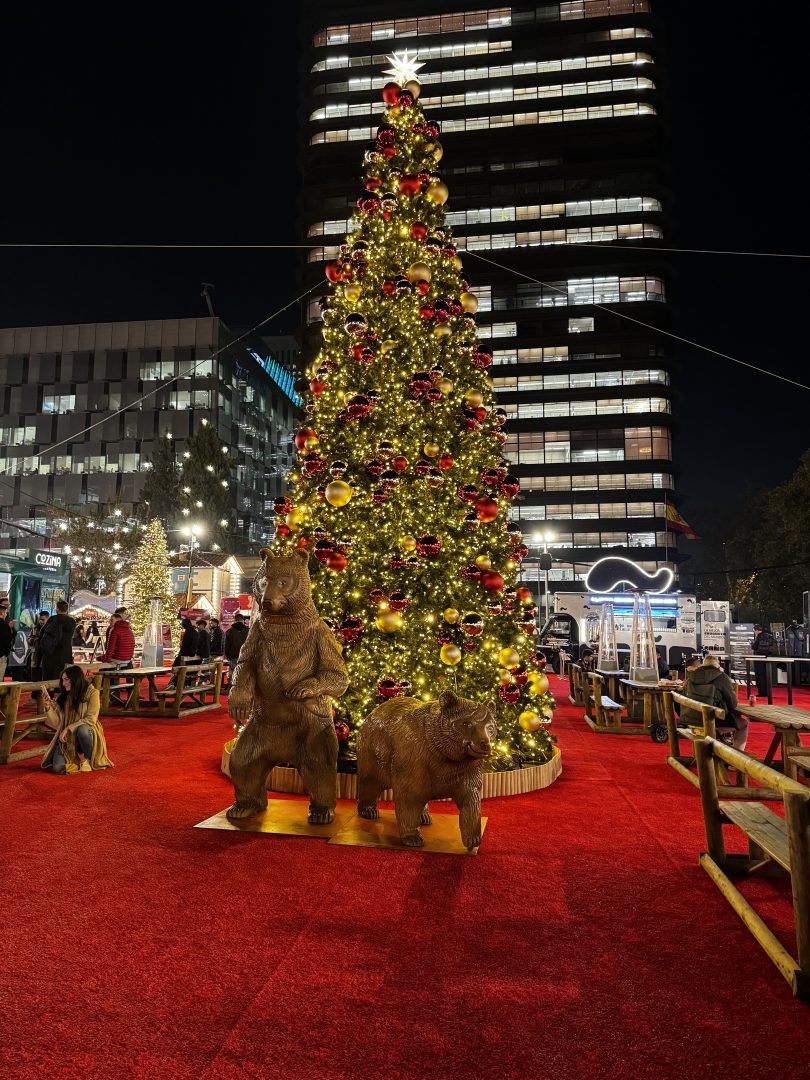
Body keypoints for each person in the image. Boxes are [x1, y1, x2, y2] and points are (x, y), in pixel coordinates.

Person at [40, 665, 113, 775]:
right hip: (68, 740)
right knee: (57, 768)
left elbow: (91, 719)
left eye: (66, 679)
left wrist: (69, 728)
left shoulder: (93, 693)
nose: (63, 684)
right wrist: (47, 707)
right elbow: (56, 723)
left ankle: (87, 760)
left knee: (82, 730)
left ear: (76, 679)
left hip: (87, 733)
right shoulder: (64, 697)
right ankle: (77, 764)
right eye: (62, 680)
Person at [681, 654, 748, 750]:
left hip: (690, 718)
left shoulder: (690, 677)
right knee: (743, 723)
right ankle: (738, 754)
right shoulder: (722, 677)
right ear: (718, 666)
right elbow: (733, 704)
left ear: (703, 665)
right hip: (712, 720)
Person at [37, 600, 76, 681]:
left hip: (51, 655)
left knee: (48, 680)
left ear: (57, 609)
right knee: (63, 680)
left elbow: (42, 634)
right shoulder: (72, 621)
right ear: (67, 609)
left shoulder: (53, 619)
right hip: (66, 655)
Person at [224, 613, 249, 686]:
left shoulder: (230, 631)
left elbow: (227, 645)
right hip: (245, 656)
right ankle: (243, 686)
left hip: (233, 655)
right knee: (243, 671)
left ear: (235, 620)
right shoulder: (248, 630)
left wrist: (228, 655)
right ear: (243, 620)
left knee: (233, 671)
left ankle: (232, 687)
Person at [0, 605, 12, 681]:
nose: (6, 615)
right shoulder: (4, 626)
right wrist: (6, 654)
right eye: (5, 613)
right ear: (1, 613)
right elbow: (7, 641)